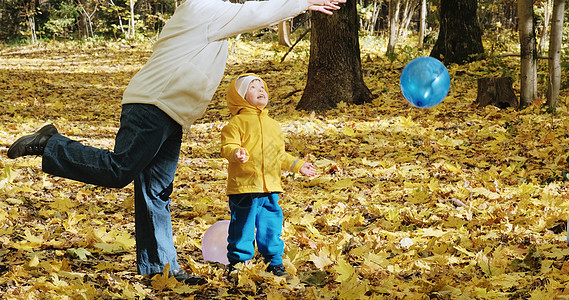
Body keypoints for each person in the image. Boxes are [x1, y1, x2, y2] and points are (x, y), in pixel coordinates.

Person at [6, 0, 344, 284]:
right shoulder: (202, 9)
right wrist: (300, 3)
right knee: (118, 170)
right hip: (151, 105)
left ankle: (162, 270)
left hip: (171, 113)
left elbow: (247, 16)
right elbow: (255, 14)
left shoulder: (214, 15)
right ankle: (51, 143)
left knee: (156, 192)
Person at [220, 74, 317, 277]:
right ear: (239, 96)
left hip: (270, 188)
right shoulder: (236, 123)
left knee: (271, 227)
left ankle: (274, 262)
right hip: (244, 187)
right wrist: (235, 152)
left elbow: (279, 155)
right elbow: (228, 146)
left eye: (262, 86)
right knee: (242, 226)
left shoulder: (273, 125)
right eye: (253, 87)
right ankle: (239, 263)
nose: (261, 90)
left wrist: (298, 166)